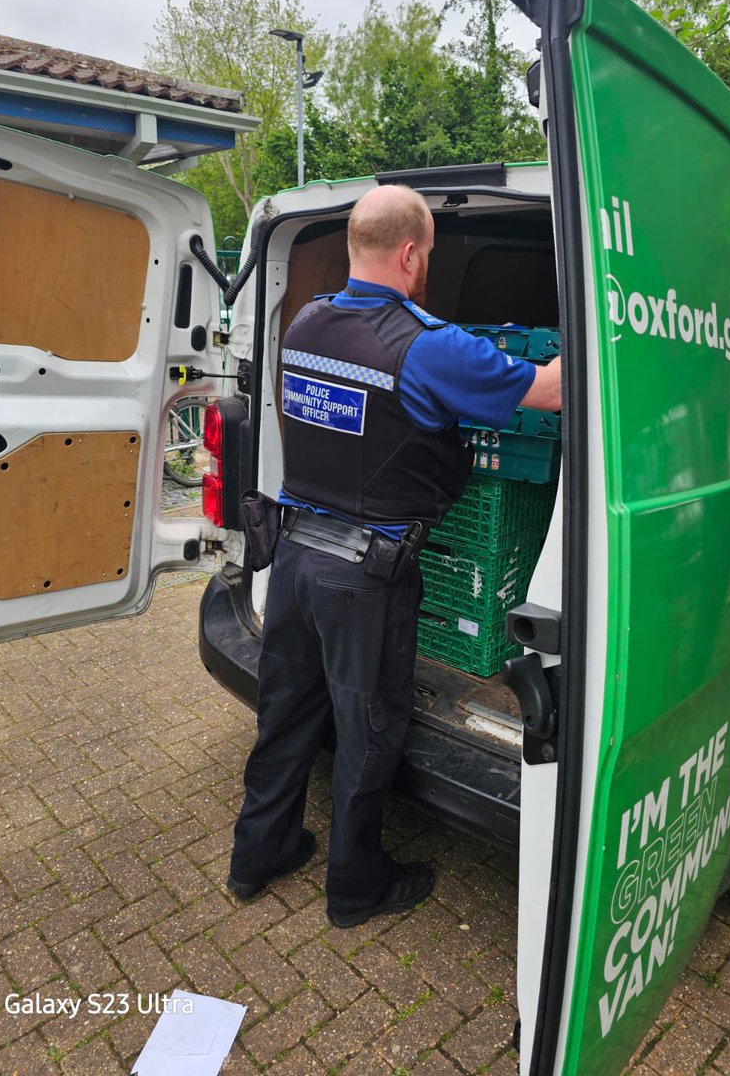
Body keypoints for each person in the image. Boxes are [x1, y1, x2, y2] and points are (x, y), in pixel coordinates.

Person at [228, 183, 562, 928]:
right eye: (429, 258)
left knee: (285, 715)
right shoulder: (427, 346)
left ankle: (259, 854)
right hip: (364, 578)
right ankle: (356, 887)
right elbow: (549, 391)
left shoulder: (306, 320)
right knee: (370, 729)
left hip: (292, 561)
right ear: (411, 254)